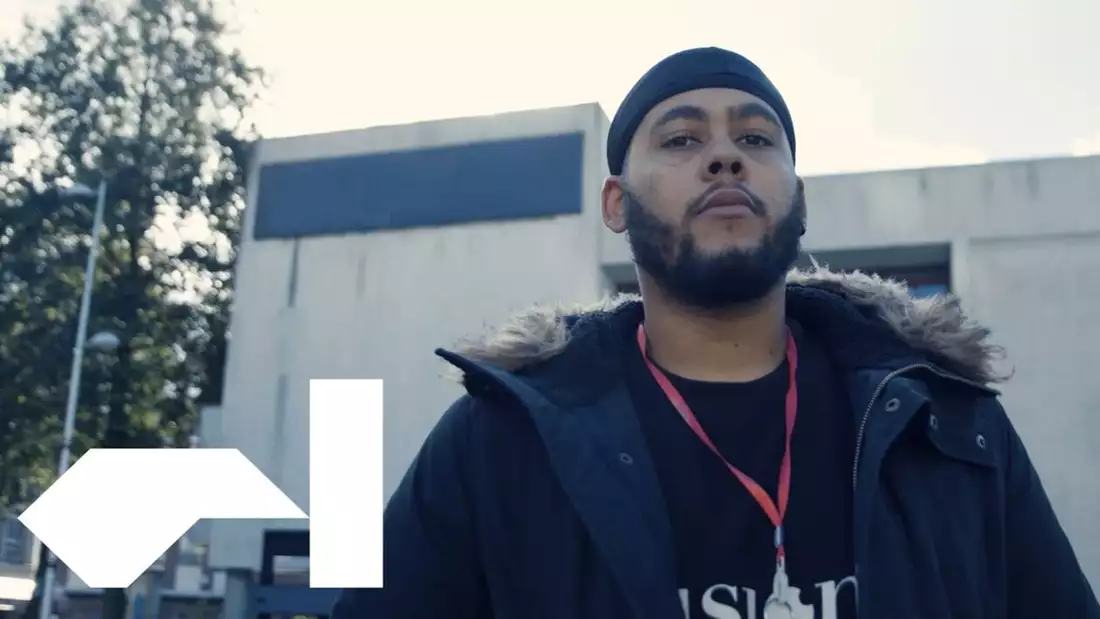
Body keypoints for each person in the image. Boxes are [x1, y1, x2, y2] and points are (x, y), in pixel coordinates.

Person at [332, 47, 1099, 619]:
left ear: (798, 195)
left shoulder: (950, 424)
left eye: (758, 140)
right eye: (681, 139)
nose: (726, 154)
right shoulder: (500, 438)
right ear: (615, 202)